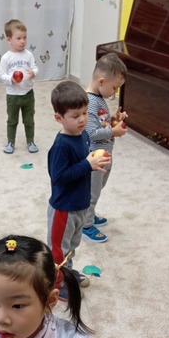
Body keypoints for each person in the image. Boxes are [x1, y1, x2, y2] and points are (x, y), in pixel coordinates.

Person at [47, 80, 110, 296]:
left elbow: (82, 163)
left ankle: (68, 272)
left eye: (84, 113)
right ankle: (56, 284)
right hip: (64, 208)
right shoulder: (61, 145)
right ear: (59, 118)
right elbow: (59, 177)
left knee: (72, 245)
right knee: (59, 250)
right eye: (75, 116)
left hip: (80, 204)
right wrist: (87, 165)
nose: (83, 119)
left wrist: (94, 161)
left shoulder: (82, 135)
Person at [82, 54, 128, 243]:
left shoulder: (99, 99)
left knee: (97, 189)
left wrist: (113, 120)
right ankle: (86, 225)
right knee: (91, 192)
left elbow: (100, 123)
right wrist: (113, 131)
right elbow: (91, 133)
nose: (115, 93)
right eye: (114, 88)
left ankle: (89, 214)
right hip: (95, 158)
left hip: (105, 156)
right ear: (101, 81)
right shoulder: (90, 102)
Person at [0, 19, 39, 155]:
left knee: (29, 120)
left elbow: (35, 68)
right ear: (9, 40)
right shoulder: (6, 58)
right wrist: (11, 79)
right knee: (12, 120)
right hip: (13, 95)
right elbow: (1, 75)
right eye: (19, 38)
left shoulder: (29, 55)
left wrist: (33, 73)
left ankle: (30, 141)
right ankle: (10, 142)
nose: (23, 41)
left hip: (28, 94)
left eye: (25, 37)